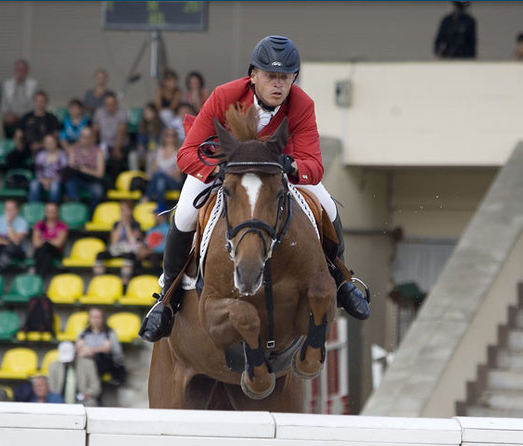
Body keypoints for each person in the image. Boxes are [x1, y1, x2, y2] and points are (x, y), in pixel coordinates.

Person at [139, 35, 371, 342]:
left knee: (326, 204)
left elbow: (314, 164)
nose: (278, 85)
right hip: (224, 167)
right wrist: (215, 170)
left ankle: (342, 279)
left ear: (294, 79)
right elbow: (187, 153)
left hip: (276, 171)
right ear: (253, 76)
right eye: (270, 76)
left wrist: (293, 167)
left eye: (285, 78)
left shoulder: (302, 105)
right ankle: (167, 298)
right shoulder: (225, 95)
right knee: (183, 214)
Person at [6, 90, 60, 169]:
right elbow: (18, 134)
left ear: (46, 103)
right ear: (34, 102)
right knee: (12, 157)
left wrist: (41, 145)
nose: (40, 104)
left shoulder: (52, 118)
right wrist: (18, 144)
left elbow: (55, 136)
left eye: (42, 101)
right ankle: (19, 178)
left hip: (45, 148)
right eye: (37, 101)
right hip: (27, 147)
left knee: (41, 159)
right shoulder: (26, 117)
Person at [94, 200, 141, 285]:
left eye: (125, 210)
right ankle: (99, 281)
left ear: (130, 211)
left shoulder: (135, 224)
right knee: (100, 255)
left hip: (129, 249)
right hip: (118, 249)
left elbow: (132, 241)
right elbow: (114, 241)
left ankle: (124, 283)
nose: (123, 213)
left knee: (129, 257)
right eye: (121, 210)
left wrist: (127, 225)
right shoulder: (116, 224)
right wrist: (120, 224)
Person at [0, 59, 38, 141]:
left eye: (23, 70)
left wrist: (20, 116)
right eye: (18, 70)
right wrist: (8, 114)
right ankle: (0, 142)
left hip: (25, 116)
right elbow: (3, 104)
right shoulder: (7, 84)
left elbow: (34, 105)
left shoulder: (34, 85)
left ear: (27, 72)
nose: (20, 72)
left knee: (32, 119)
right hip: (9, 116)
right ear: (14, 71)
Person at [77, 308, 126, 385]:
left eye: (98, 317)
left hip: (105, 361)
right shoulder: (84, 333)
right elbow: (79, 347)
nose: (95, 320)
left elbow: (107, 348)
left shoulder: (109, 332)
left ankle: (92, 389)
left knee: (95, 361)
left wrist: (91, 350)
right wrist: (87, 352)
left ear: (102, 319)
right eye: (93, 317)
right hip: (87, 360)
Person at [62, 126, 105, 212]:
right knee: (69, 182)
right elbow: (71, 167)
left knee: (98, 191)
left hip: (91, 181)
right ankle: (77, 210)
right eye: (82, 136)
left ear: (92, 138)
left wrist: (84, 169)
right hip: (77, 179)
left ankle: (91, 214)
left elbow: (100, 174)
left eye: (87, 137)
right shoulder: (74, 150)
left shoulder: (98, 152)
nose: (85, 139)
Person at [48, 341, 101, 406]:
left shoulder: (88, 364)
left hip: (82, 399)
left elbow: (95, 386)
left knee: (91, 403)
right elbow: (52, 387)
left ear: (75, 353)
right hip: (59, 399)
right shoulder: (54, 366)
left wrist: (87, 394)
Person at [93, 91, 128, 179]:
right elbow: (94, 132)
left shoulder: (122, 113)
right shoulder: (99, 112)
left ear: (116, 104)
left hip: (119, 144)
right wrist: (93, 148)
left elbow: (121, 133)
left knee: (116, 160)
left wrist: (116, 149)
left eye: (112, 104)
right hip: (103, 144)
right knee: (96, 158)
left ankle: (114, 186)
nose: (109, 107)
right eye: (107, 104)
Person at [143, 127, 183, 206]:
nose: (170, 138)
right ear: (164, 137)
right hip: (160, 180)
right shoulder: (159, 151)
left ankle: (147, 197)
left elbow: (178, 173)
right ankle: (160, 207)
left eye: (172, 135)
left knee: (160, 175)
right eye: (167, 135)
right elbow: (154, 169)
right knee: (161, 182)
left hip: (174, 182)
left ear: (176, 137)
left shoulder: (179, 152)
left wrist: (164, 174)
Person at [32, 202, 68, 279]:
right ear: (45, 212)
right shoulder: (39, 225)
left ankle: (37, 276)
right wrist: (51, 240)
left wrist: (46, 240)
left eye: (53, 211)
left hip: (55, 252)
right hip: (42, 251)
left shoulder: (62, 226)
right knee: (46, 254)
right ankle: (41, 277)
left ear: (57, 212)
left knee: (46, 247)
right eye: (48, 211)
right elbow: (36, 243)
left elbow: (59, 244)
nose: (50, 213)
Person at [29, 134, 67, 203]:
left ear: (56, 142)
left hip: (56, 179)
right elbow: (38, 171)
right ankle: (34, 207)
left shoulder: (62, 154)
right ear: (44, 144)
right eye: (47, 143)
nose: (49, 144)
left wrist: (50, 181)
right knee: (34, 184)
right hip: (42, 179)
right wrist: (44, 181)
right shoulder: (40, 155)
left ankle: (52, 207)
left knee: (54, 186)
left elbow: (64, 172)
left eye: (51, 142)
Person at [135, 204, 169, 274]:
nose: (154, 216)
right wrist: (143, 249)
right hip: (150, 252)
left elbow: (165, 246)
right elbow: (147, 243)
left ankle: (158, 277)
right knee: (136, 256)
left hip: (161, 254)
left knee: (153, 257)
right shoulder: (151, 229)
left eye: (156, 214)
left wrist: (148, 251)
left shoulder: (168, 229)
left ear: (163, 215)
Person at [136, 102, 162, 168]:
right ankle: (135, 175)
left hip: (157, 150)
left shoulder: (161, 125)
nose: (146, 114)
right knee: (132, 156)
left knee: (150, 157)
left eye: (149, 112)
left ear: (154, 113)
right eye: (145, 113)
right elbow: (140, 143)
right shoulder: (142, 125)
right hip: (146, 149)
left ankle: (148, 177)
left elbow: (161, 142)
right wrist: (142, 150)